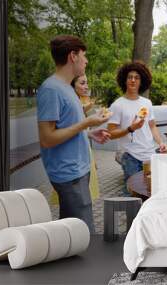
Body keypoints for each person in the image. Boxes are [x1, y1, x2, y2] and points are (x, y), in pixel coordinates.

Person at [37, 35, 111, 233]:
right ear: (73, 56)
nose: (86, 61)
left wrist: (90, 133)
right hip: (68, 174)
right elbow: (47, 138)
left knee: (70, 232)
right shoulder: (51, 89)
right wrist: (87, 122)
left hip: (79, 171)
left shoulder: (67, 88)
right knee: (82, 233)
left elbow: (68, 127)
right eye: (84, 56)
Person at [107, 61, 167, 196]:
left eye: (137, 77)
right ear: (124, 80)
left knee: (149, 191)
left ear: (142, 81)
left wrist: (161, 142)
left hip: (149, 154)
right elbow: (110, 133)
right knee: (132, 193)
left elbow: (152, 126)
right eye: (130, 77)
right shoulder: (118, 105)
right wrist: (130, 128)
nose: (133, 80)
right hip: (130, 157)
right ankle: (131, 216)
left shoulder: (147, 103)